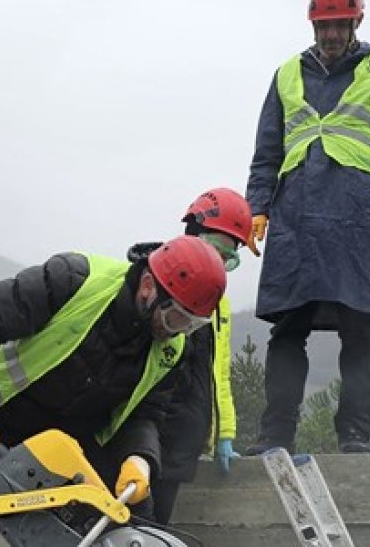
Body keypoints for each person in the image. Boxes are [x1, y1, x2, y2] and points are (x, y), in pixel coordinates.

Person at [0, 235, 228, 546]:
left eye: (192, 325)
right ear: (148, 287)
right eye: (176, 318)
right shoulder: (75, 279)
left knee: (135, 528)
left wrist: (140, 457)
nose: (178, 332)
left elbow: (146, 412)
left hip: (76, 447)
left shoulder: (170, 348)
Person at [244, 0, 370, 454]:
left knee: (360, 330)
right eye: (323, 25)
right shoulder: (286, 74)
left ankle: (354, 436)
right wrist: (256, 209)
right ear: (312, 24)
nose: (330, 35)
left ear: (357, 21)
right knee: (288, 329)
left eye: (340, 25)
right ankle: (275, 437)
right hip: (296, 221)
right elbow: (266, 153)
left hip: (358, 219)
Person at [128, 187, 253, 524]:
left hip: (183, 444)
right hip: (148, 437)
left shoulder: (218, 303)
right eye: (218, 250)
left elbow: (218, 373)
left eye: (230, 258)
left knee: (156, 529)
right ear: (193, 233)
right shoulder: (163, 286)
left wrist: (224, 433)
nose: (221, 264)